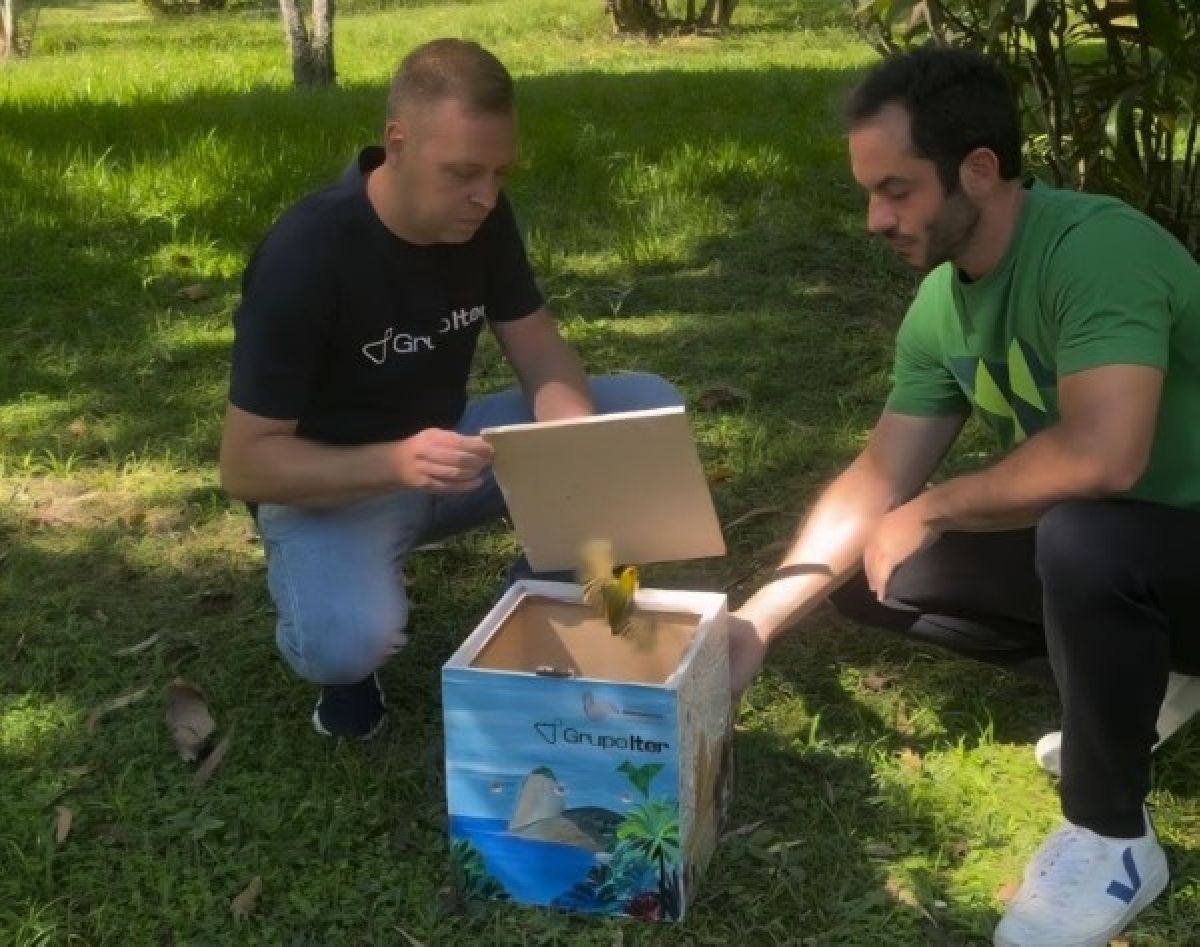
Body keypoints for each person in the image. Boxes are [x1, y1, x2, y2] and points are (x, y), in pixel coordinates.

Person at [727, 47, 1200, 946]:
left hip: (1167, 539)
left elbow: (1106, 455)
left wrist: (940, 504)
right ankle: (1147, 676)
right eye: (869, 192)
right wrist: (759, 618)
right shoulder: (942, 307)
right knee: (869, 572)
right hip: (1157, 559)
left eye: (897, 189)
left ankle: (1112, 837)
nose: (876, 218)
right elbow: (877, 480)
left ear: (979, 170)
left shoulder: (1095, 249)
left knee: (1083, 539)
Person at [219, 38, 680, 741]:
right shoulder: (306, 256)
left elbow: (539, 349)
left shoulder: (484, 218)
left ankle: (540, 616)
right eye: (463, 172)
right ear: (396, 143)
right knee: (344, 638)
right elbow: (245, 464)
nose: (485, 196)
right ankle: (345, 671)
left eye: (499, 172)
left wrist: (579, 449)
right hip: (333, 483)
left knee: (641, 412)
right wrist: (397, 464)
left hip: (453, 448)